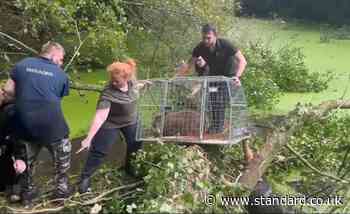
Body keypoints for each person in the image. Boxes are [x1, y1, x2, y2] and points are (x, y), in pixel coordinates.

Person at [3, 41, 72, 205]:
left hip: (24, 124)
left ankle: (28, 193)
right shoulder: (61, 75)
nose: (61, 63)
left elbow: (7, 90)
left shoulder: (22, 64)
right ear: (54, 54)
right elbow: (55, 99)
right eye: (61, 59)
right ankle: (61, 191)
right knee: (62, 157)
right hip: (52, 126)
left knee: (26, 160)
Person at [76, 59, 143, 194]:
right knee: (99, 150)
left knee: (135, 145)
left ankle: (129, 168)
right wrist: (89, 138)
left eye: (116, 81)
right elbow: (100, 116)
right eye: (112, 79)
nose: (113, 82)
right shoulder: (108, 93)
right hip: (111, 123)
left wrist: (144, 85)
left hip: (131, 121)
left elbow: (136, 87)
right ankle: (85, 178)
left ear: (127, 78)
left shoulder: (132, 81)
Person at [176, 23, 247, 134]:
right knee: (213, 99)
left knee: (220, 99)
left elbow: (242, 60)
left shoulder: (226, 45)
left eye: (208, 38)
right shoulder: (200, 47)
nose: (206, 41)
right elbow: (189, 65)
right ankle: (214, 126)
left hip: (228, 80)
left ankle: (219, 128)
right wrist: (176, 77)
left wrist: (237, 77)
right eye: (204, 38)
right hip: (213, 80)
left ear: (215, 36)